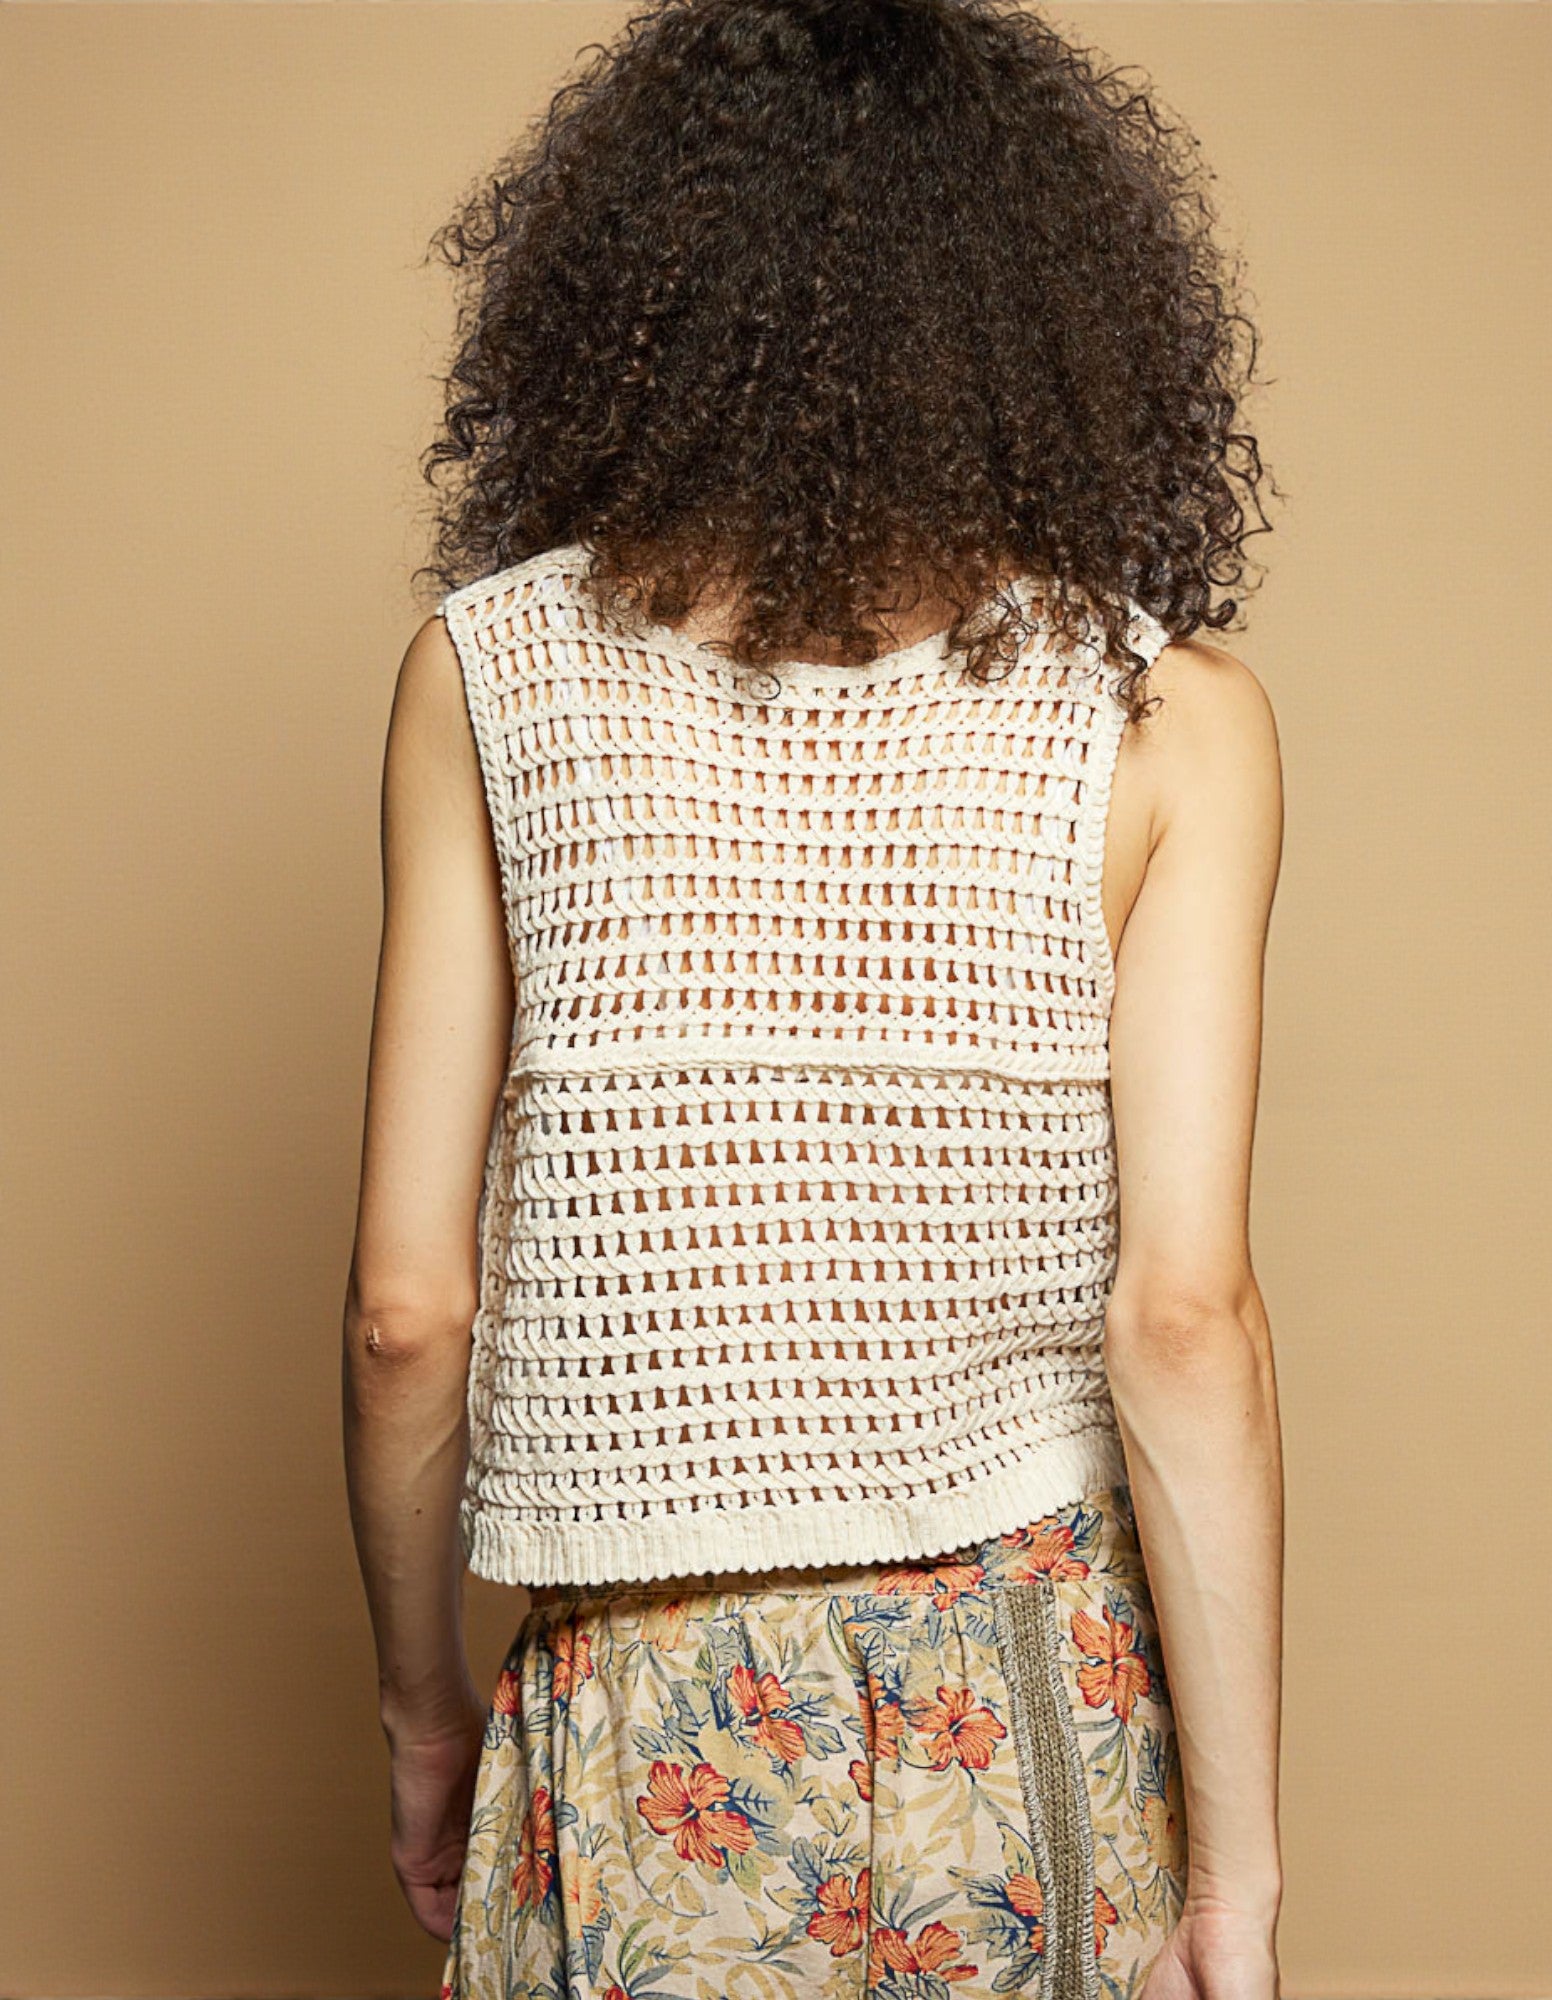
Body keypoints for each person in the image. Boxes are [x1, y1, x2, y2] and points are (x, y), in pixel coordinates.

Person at [342, 1, 1286, 1995]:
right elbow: (1179, 1318)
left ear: (630, 304)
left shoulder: (488, 678)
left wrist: (427, 1720)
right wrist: (1240, 1873)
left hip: (638, 1699)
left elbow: (408, 1312)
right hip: (1024, 1696)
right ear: (1059, 318)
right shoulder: (1167, 723)